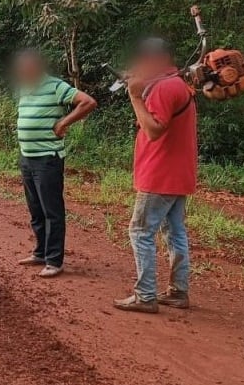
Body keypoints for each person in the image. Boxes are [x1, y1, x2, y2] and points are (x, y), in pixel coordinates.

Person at [114, 38, 197, 313]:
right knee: (174, 232)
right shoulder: (176, 82)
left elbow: (153, 130)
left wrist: (135, 96)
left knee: (140, 231)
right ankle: (178, 291)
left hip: (160, 175)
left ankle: (145, 296)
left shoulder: (163, 88)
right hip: (177, 174)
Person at [12, 50, 97, 278]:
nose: (21, 72)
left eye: (25, 68)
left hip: (47, 158)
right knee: (35, 210)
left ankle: (54, 260)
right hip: (27, 157)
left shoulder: (55, 86)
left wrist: (64, 122)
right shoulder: (24, 87)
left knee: (52, 211)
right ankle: (40, 252)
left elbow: (87, 102)